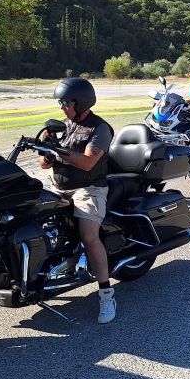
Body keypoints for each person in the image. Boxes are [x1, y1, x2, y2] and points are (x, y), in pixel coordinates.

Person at [39, 77, 117, 324]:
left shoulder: (100, 128)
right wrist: (47, 152)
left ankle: (106, 294)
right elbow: (43, 164)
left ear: (81, 103)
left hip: (89, 189)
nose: (62, 107)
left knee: (89, 236)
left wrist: (58, 150)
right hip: (58, 186)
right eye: (60, 102)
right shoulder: (61, 126)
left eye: (66, 102)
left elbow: (87, 162)